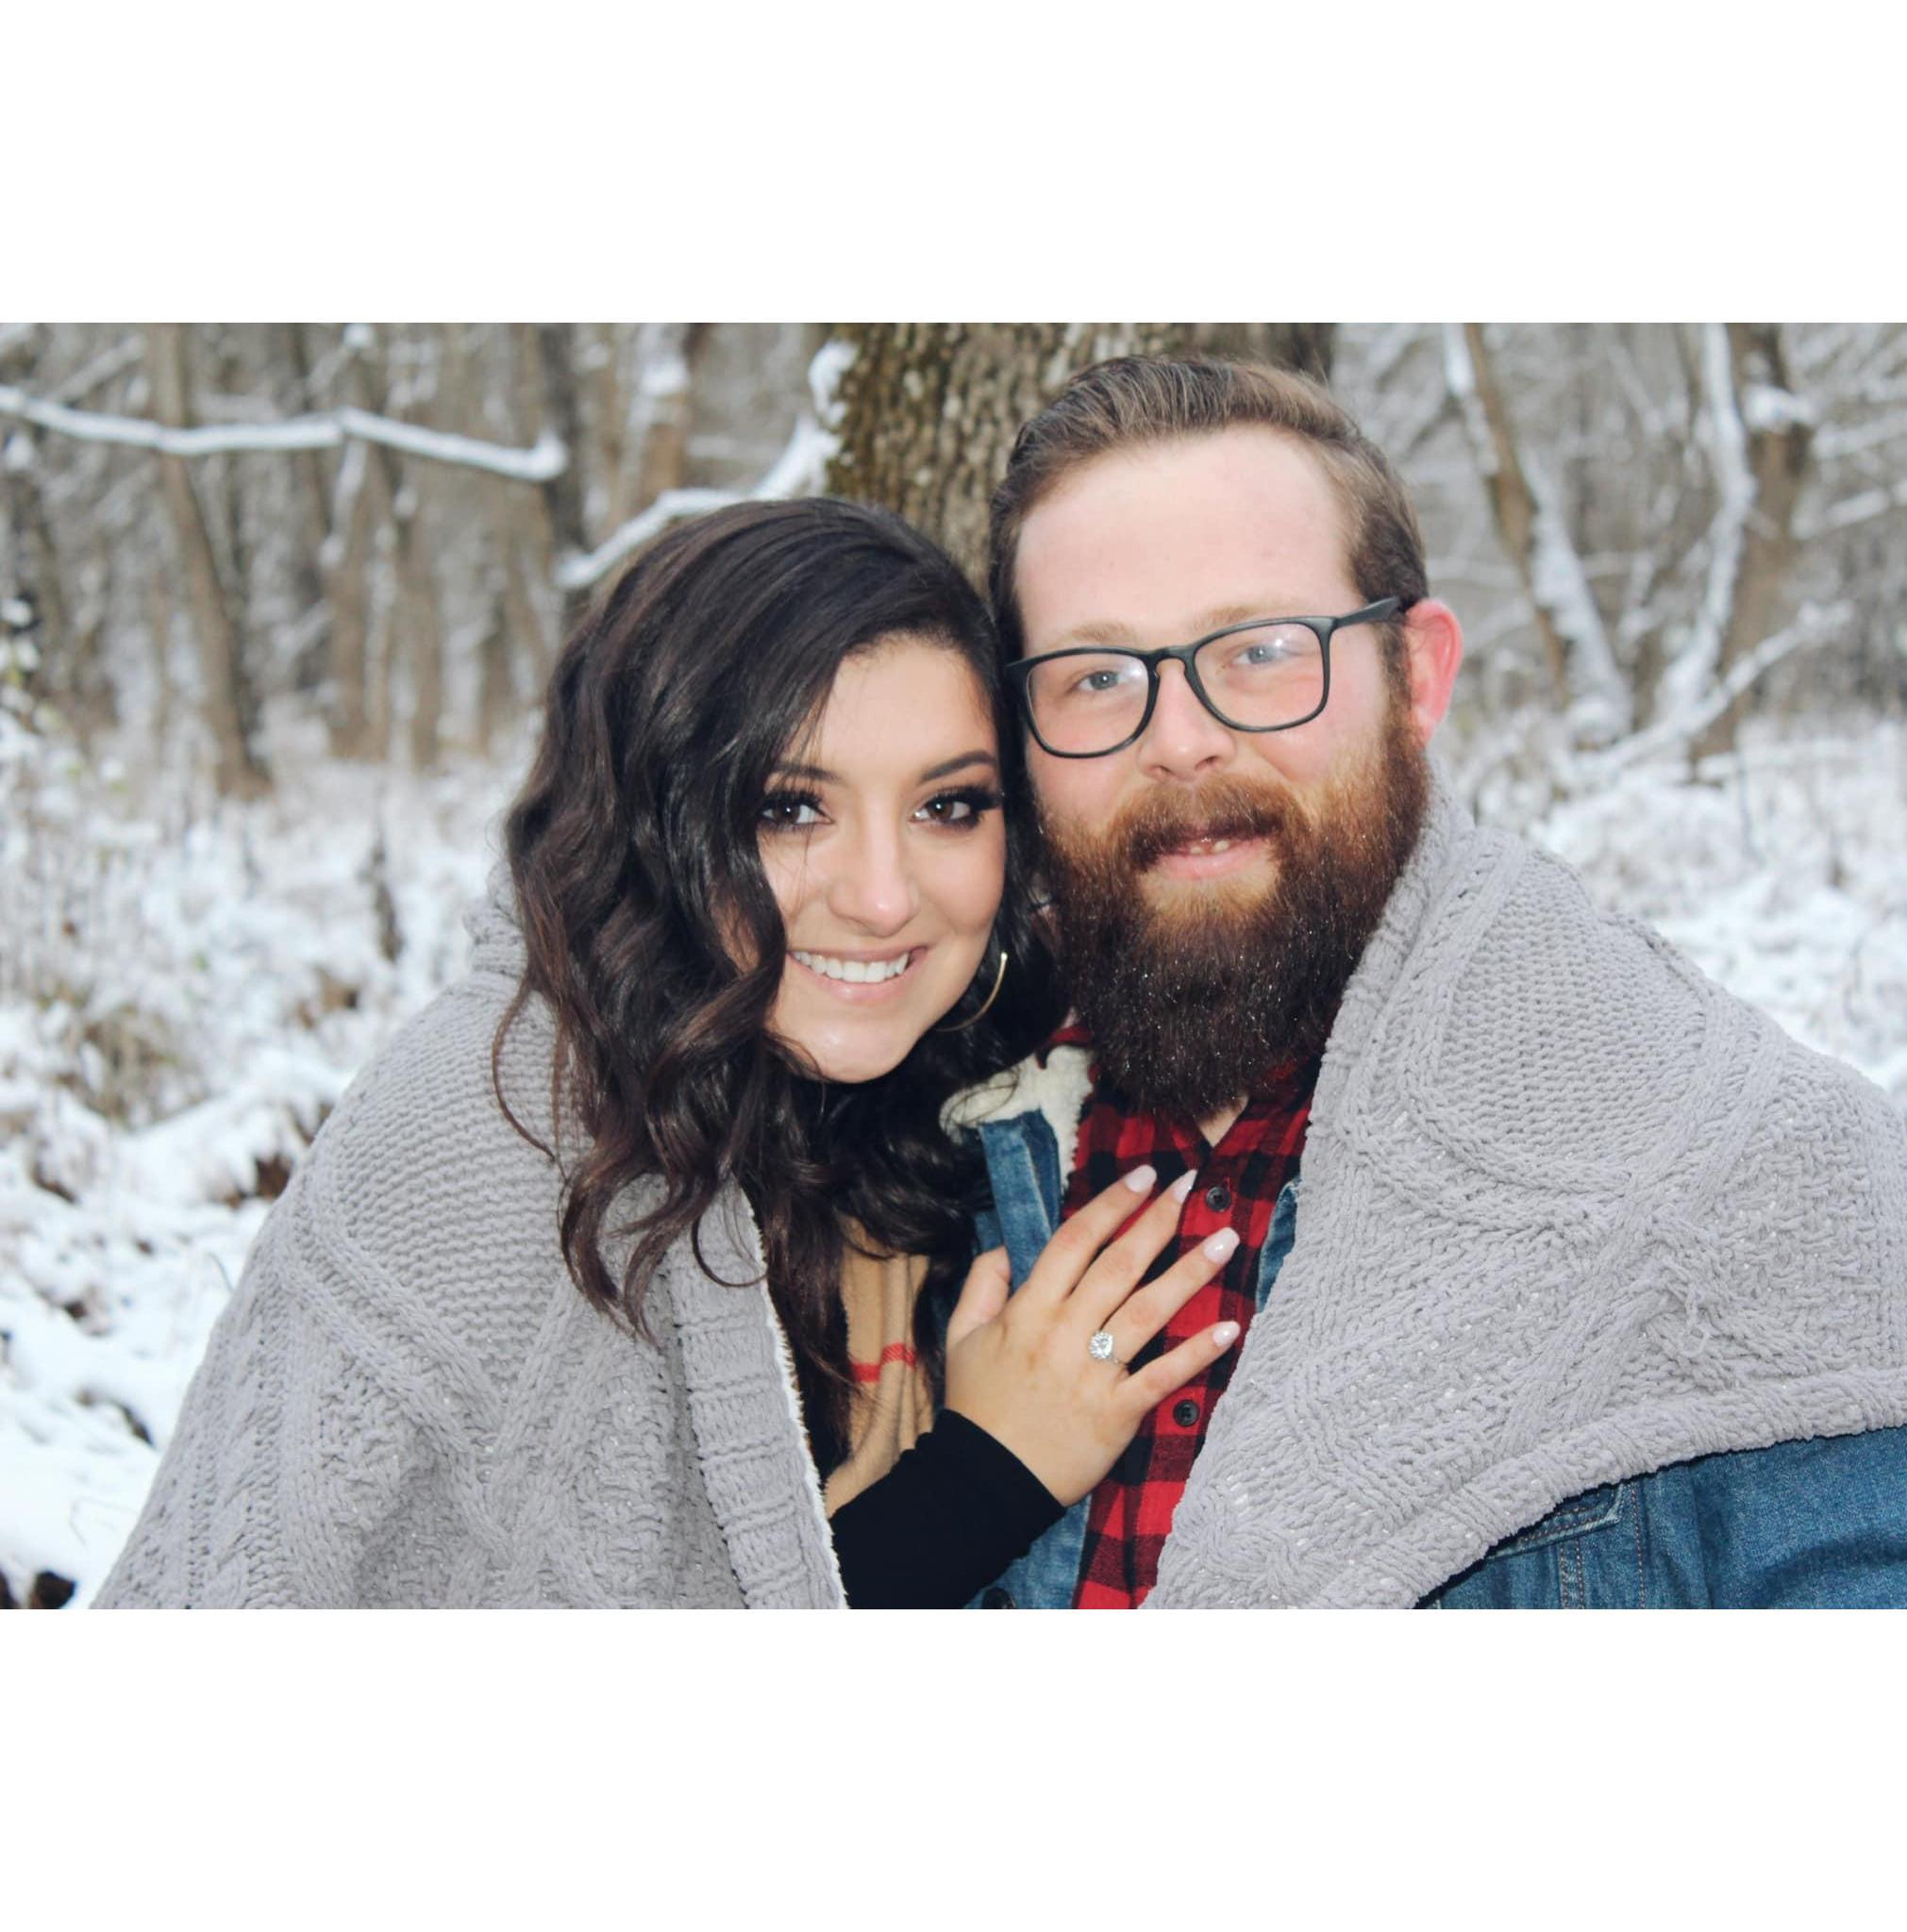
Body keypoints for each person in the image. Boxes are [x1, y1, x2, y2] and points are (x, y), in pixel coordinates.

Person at [92, 497, 1242, 1608]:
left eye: (946, 806)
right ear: (651, 815)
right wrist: (987, 1473)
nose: (883, 896)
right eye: (790, 807)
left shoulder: (931, 1098)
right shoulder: (488, 1122)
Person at [952, 355, 1907, 1608]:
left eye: (1261, 651)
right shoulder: (905, 1144)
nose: (1180, 739)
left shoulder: (1742, 1170)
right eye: (1096, 675)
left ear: (1416, 677)